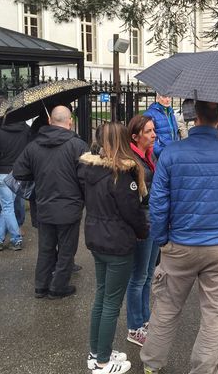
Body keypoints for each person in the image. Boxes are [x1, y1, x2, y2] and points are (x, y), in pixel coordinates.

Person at [140, 100, 218, 374]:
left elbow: (158, 202)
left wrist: (162, 240)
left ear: (193, 118)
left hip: (179, 243)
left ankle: (152, 365)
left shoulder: (171, 153)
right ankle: (203, 370)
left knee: (166, 308)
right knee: (214, 314)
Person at [79, 122, 149, 374]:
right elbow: (133, 212)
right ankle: (103, 362)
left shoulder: (89, 169)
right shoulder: (123, 174)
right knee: (111, 303)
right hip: (118, 244)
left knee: (101, 297)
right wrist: (143, 232)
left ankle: (96, 351)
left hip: (97, 239)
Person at [13, 105, 88, 299]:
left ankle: (41, 286)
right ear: (70, 121)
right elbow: (86, 177)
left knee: (45, 248)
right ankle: (58, 287)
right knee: (66, 249)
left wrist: (39, 174)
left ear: (49, 121)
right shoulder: (78, 145)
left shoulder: (34, 145)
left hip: (44, 204)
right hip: (69, 206)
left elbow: (19, 172)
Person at [125, 115, 160, 347]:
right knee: (138, 277)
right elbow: (132, 200)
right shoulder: (131, 161)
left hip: (153, 219)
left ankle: (145, 319)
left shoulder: (149, 156)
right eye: (148, 131)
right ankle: (134, 327)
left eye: (154, 129)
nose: (154, 134)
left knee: (148, 274)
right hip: (143, 222)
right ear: (136, 136)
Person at [0, 104, 30, 251]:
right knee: (7, 207)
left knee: (7, 206)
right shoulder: (26, 130)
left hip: (2, 172)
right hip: (20, 172)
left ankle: (16, 239)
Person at [142, 94, 181, 158]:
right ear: (158, 98)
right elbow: (147, 135)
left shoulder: (171, 112)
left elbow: (175, 132)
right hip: (161, 154)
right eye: (164, 97)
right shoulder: (150, 113)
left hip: (172, 152)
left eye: (169, 97)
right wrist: (159, 151)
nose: (168, 99)